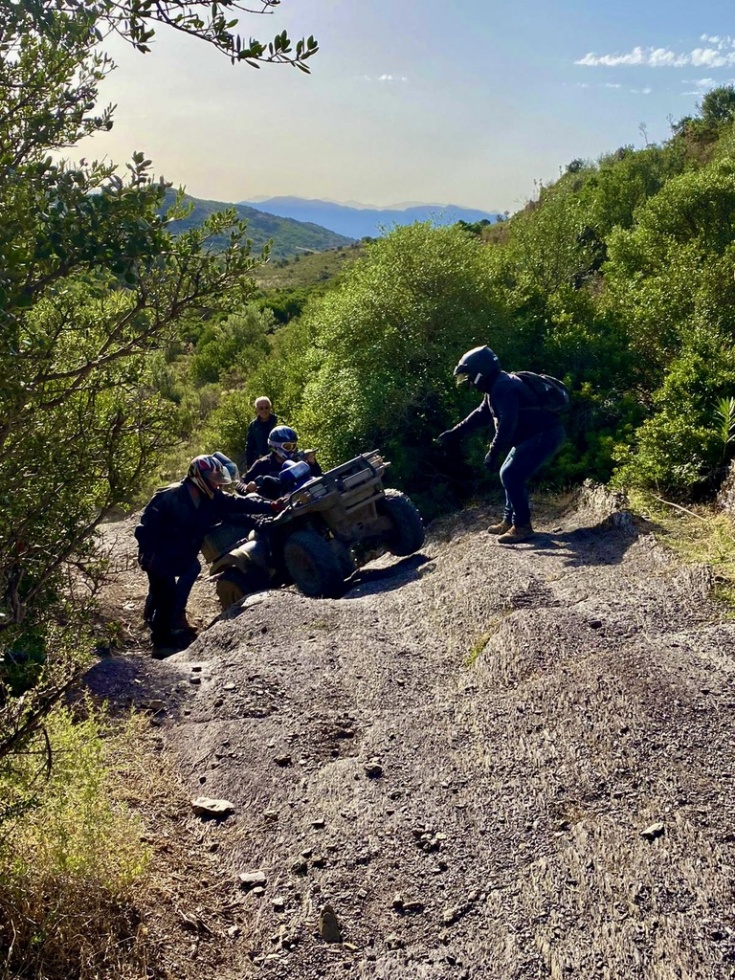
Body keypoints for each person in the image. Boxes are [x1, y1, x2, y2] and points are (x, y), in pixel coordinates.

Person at [135, 454, 281, 651]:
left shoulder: (211, 497)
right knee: (165, 593)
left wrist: (271, 506)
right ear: (198, 476)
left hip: (182, 553)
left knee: (178, 581)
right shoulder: (170, 495)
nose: (217, 484)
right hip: (159, 554)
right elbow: (145, 527)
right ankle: (161, 644)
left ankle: (163, 620)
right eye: (213, 479)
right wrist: (147, 553)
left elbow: (238, 504)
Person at [438, 346, 565, 544]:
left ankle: (522, 526)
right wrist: (455, 432)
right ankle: (509, 521)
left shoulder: (502, 387)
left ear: (481, 371)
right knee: (507, 472)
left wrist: (493, 452)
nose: (469, 381)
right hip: (537, 435)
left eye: (469, 376)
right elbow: (480, 414)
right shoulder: (496, 386)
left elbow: (508, 424)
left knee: (511, 475)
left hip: (544, 435)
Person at [241, 425, 322, 500]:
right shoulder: (262, 464)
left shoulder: (299, 460)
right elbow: (241, 483)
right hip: (274, 505)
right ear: (275, 446)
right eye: (288, 446)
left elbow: (317, 477)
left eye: (294, 446)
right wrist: (247, 488)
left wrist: (312, 463)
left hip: (300, 500)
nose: (292, 450)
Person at [245, 397, 278, 469]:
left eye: (266, 407)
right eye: (261, 408)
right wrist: (249, 464)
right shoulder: (253, 425)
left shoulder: (277, 421)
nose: (264, 410)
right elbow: (250, 446)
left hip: (278, 459)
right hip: (261, 460)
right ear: (256, 409)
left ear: (270, 407)